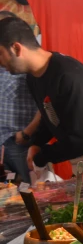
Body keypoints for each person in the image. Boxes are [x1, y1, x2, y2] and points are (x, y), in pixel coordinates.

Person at [0, 16, 83, 176]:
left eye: (0, 54)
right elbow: (49, 115)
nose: (0, 63)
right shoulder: (33, 77)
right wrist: (37, 143)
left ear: (16, 49)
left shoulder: (68, 75)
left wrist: (42, 156)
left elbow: (79, 140)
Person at [0, 11, 40, 183]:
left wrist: (25, 134)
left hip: (19, 143)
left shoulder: (26, 63)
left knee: (27, 192)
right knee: (5, 196)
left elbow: (45, 105)